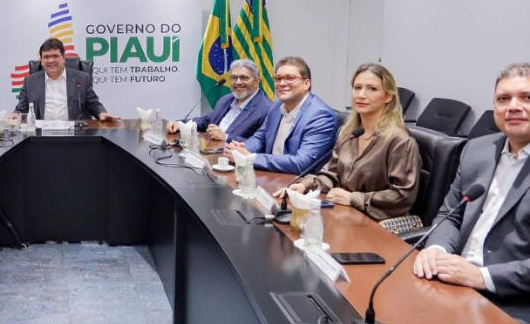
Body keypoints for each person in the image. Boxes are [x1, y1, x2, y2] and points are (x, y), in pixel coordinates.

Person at [413, 63, 530, 324]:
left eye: (528, 98)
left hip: (525, 305)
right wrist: (436, 250)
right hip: (454, 285)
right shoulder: (477, 149)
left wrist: (482, 277)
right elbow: (450, 216)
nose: (513, 106)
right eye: (503, 99)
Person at [284, 63, 420, 221]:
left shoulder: (400, 141)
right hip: (343, 213)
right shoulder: (349, 133)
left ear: (388, 97)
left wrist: (353, 198)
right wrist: (305, 185)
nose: (361, 95)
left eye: (372, 89)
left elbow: (403, 196)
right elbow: (332, 175)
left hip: (376, 222)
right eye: (357, 87)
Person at [225, 56, 337, 174]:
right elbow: (260, 138)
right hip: (270, 175)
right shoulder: (277, 106)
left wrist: (250, 158)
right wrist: (240, 149)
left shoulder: (321, 116)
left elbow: (301, 163)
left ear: (306, 84)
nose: (282, 83)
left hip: (297, 184)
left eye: (290, 78)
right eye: (278, 79)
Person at [14, 38, 119, 122]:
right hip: (40, 136)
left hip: (75, 136)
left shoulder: (82, 78)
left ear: (64, 57)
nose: (51, 60)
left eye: (55, 56)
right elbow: (21, 108)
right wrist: (15, 114)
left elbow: (93, 104)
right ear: (41, 60)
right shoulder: (30, 81)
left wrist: (102, 113)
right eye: (46, 57)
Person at [168, 59, 272, 143]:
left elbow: (262, 144)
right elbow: (206, 121)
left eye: (244, 78)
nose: (238, 82)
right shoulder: (226, 99)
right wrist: (180, 124)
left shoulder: (266, 110)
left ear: (256, 81)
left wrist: (226, 137)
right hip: (210, 153)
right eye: (234, 78)